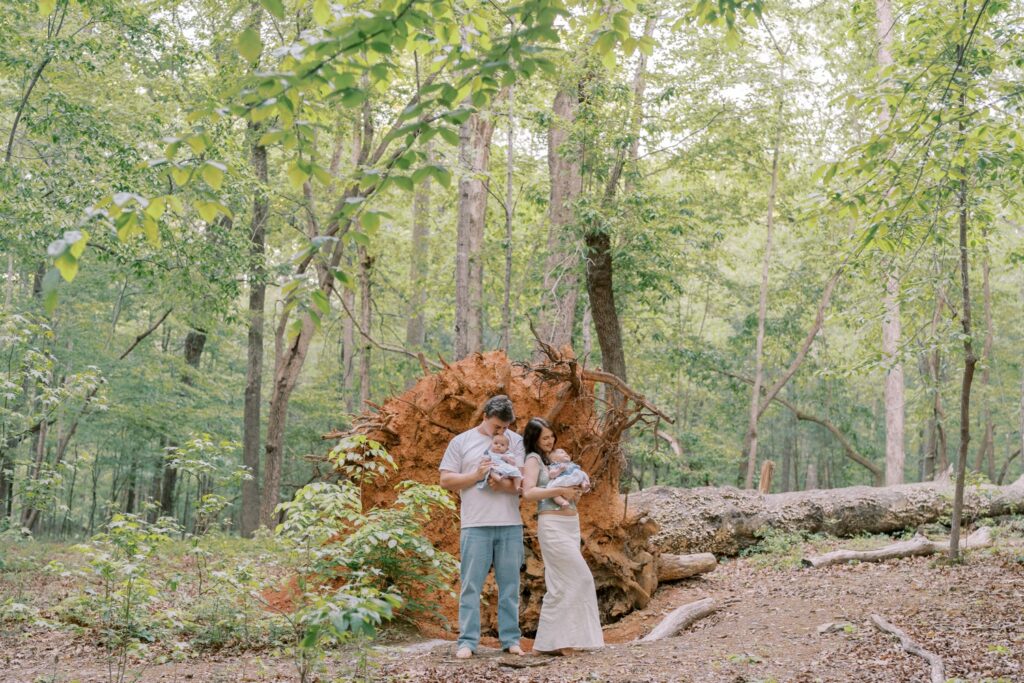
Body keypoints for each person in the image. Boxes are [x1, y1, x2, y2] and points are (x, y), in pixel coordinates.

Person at [438, 395, 526, 659]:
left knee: (510, 585)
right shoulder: (462, 441)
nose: (501, 432)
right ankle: (467, 641)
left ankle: (511, 639)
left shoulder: (517, 441)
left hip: (510, 523)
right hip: (475, 524)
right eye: (497, 427)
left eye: (506, 427)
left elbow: (521, 482)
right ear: (485, 416)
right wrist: (476, 476)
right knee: (471, 585)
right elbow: (445, 480)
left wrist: (503, 484)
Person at [521, 417, 604, 655]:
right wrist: (560, 490)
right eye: (544, 437)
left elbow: (567, 486)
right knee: (582, 578)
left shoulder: (554, 459)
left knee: (559, 585)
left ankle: (550, 644)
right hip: (553, 524)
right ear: (534, 439)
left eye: (551, 436)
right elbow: (528, 493)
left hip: (570, 524)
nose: (550, 441)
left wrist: (574, 492)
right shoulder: (533, 459)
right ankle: (556, 642)